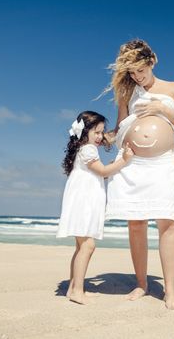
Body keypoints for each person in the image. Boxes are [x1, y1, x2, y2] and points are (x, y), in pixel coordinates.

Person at [103, 39, 174, 310]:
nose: (137, 77)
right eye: (132, 73)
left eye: (140, 70)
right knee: (136, 224)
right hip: (133, 166)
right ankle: (141, 284)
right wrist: (97, 139)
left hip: (164, 164)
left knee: (168, 222)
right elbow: (119, 127)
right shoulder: (128, 93)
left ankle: (171, 291)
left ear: (152, 62)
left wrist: (161, 109)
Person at [57, 110, 134, 305]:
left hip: (82, 200)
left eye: (102, 132)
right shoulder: (89, 149)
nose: (100, 137)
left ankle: (74, 288)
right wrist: (123, 161)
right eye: (97, 132)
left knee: (81, 246)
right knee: (88, 245)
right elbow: (102, 171)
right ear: (85, 132)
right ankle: (77, 291)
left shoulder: (84, 149)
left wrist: (108, 168)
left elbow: (99, 173)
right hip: (84, 202)